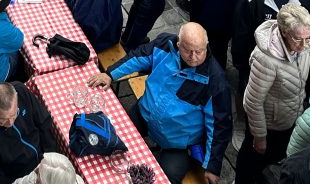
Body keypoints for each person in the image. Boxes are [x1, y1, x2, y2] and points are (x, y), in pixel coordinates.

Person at [89, 23, 232, 184]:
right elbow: (138, 57)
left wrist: (213, 166)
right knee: (109, 141)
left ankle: (188, 160)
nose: (193, 57)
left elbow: (220, 126)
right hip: (143, 115)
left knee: (165, 179)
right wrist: (110, 74)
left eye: (199, 51)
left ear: (206, 46)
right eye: (187, 50)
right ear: (178, 43)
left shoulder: (216, 82)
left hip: (177, 144)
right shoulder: (164, 44)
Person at [236, 4, 310, 184]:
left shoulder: (303, 46)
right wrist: (260, 136)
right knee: (252, 159)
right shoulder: (265, 59)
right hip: (269, 126)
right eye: (298, 39)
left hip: (287, 120)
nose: (304, 45)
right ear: (284, 32)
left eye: (307, 37)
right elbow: (252, 102)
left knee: (272, 155)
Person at [0, 81, 57, 184]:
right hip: (17, 177)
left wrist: (50, 155)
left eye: (14, 114)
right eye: (3, 119)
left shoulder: (21, 90)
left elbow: (43, 122)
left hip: (43, 159)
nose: (10, 122)